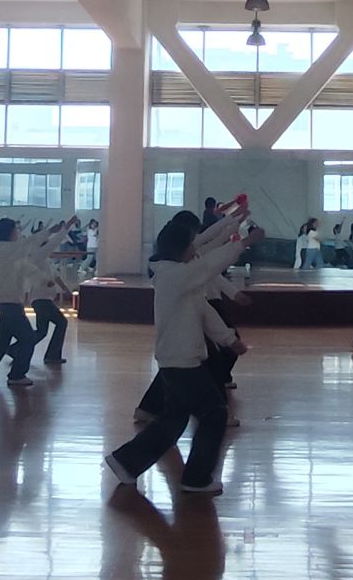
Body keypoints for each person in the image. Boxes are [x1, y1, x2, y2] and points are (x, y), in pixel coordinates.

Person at [105, 207, 260, 496]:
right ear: (179, 250)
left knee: (173, 421)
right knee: (214, 412)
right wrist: (244, 243)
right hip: (181, 362)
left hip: (181, 361)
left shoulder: (182, 278)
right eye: (190, 244)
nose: (195, 249)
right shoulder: (173, 276)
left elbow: (205, 311)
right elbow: (209, 265)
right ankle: (196, 478)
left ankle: (125, 462)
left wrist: (229, 339)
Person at [0, 218, 70, 386]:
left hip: (8, 302)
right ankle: (16, 375)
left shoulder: (11, 254)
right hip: (9, 303)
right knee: (28, 338)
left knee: (1, 342)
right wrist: (52, 231)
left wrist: (45, 281)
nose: (18, 232)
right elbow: (30, 243)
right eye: (16, 229)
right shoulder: (5, 249)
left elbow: (29, 269)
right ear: (9, 232)